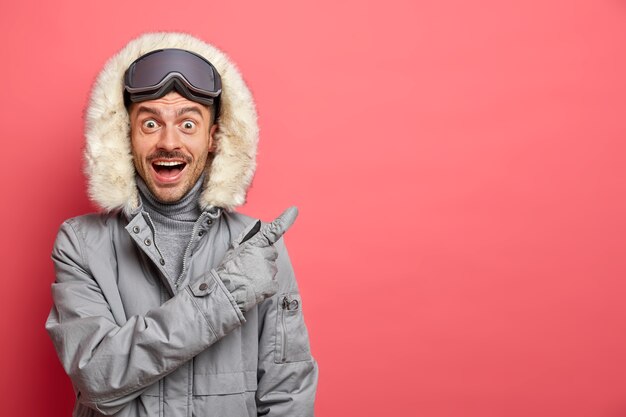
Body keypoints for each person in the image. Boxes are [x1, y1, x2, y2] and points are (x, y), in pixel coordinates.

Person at [45, 32, 318, 417]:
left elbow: (288, 393)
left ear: (214, 138)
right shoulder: (80, 243)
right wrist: (224, 296)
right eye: (150, 123)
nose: (168, 142)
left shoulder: (257, 247)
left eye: (188, 124)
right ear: (126, 136)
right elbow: (96, 376)